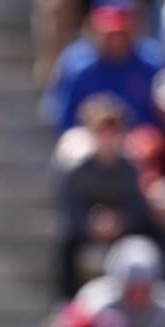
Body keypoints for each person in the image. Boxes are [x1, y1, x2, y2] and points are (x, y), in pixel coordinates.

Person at [56, 95, 149, 297]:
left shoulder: (130, 169)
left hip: (122, 232)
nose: (108, 138)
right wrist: (90, 224)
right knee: (67, 245)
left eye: (113, 131)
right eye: (102, 132)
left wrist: (120, 222)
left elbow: (137, 206)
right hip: (87, 231)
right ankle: (67, 300)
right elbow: (69, 206)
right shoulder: (78, 169)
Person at [47, 2, 165, 134]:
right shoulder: (76, 65)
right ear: (95, 32)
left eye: (121, 33)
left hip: (137, 138)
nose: (116, 40)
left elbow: (160, 114)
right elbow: (61, 114)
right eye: (110, 35)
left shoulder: (151, 62)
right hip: (89, 137)